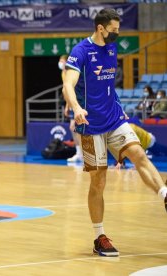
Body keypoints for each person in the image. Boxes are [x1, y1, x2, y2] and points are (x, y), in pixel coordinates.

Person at [63, 8, 167, 257]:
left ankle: (165, 194)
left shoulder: (111, 48)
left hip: (114, 117)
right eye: (114, 30)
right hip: (89, 124)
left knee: (138, 154)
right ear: (100, 28)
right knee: (99, 181)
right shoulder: (81, 52)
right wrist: (76, 107)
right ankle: (99, 236)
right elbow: (68, 84)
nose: (117, 35)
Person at [60, 55, 83, 163]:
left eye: (62, 61)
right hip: (70, 103)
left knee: (75, 127)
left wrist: (70, 105)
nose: (60, 63)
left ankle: (82, 153)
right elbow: (66, 91)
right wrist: (67, 106)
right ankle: (79, 153)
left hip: (77, 102)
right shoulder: (63, 73)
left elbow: (71, 89)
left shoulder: (71, 71)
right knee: (73, 127)